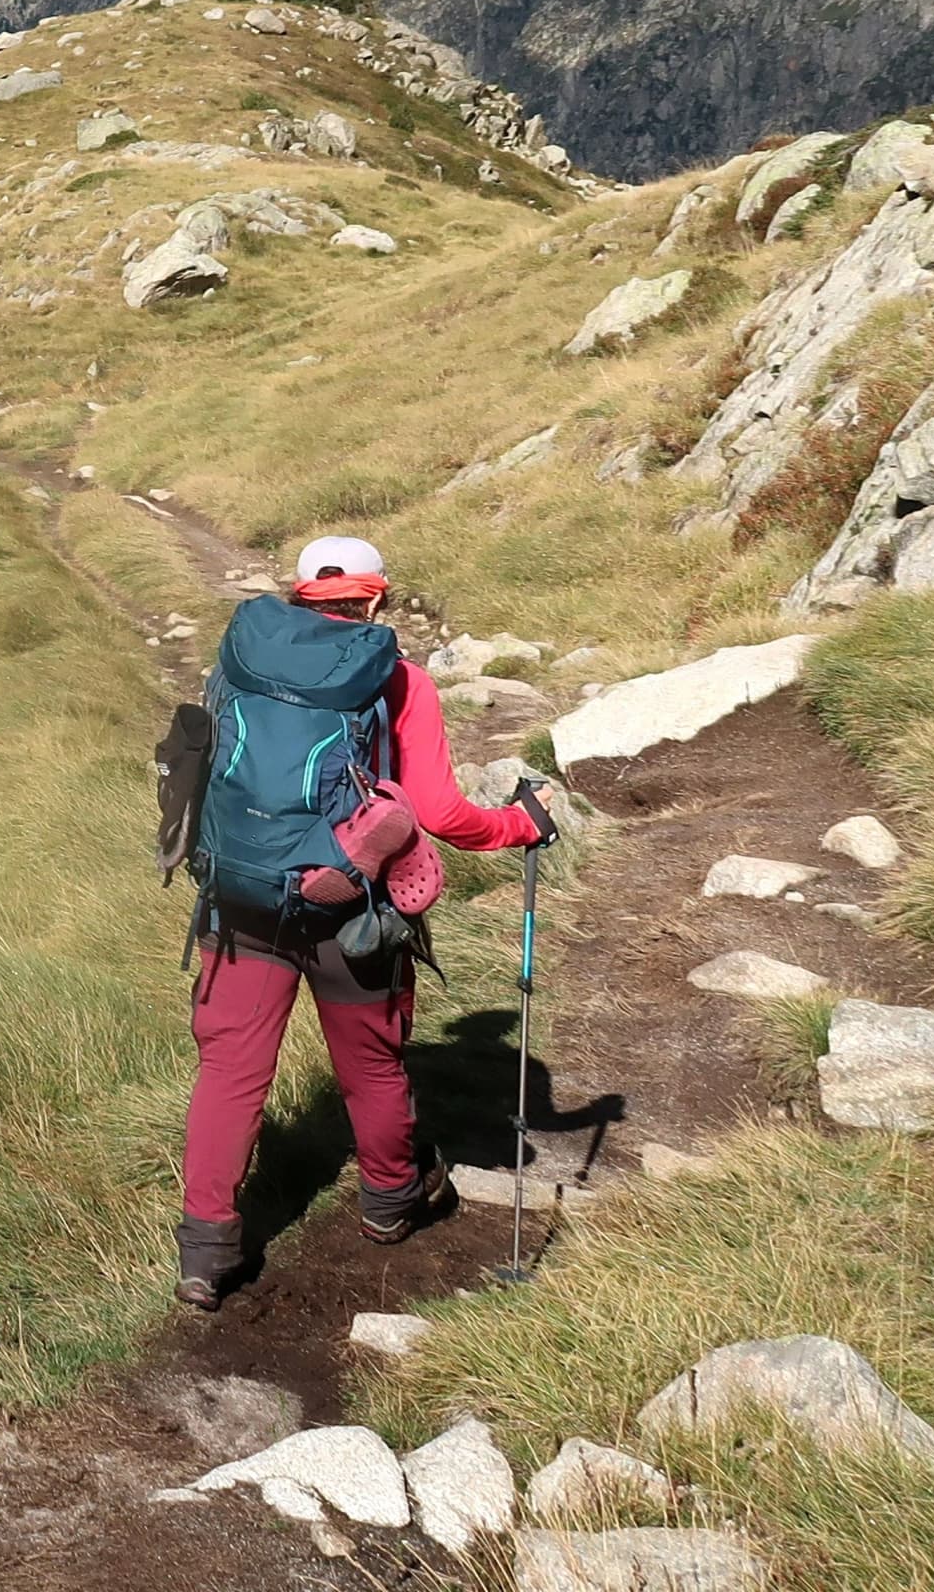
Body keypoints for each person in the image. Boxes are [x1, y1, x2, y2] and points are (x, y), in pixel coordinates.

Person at [175, 533, 555, 1310]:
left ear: (300, 594)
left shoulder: (241, 659)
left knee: (230, 1072)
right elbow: (443, 813)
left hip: (242, 895)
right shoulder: (399, 677)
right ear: (375, 596)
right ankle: (390, 1202)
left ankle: (206, 1254)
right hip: (353, 907)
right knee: (372, 1065)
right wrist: (522, 826)